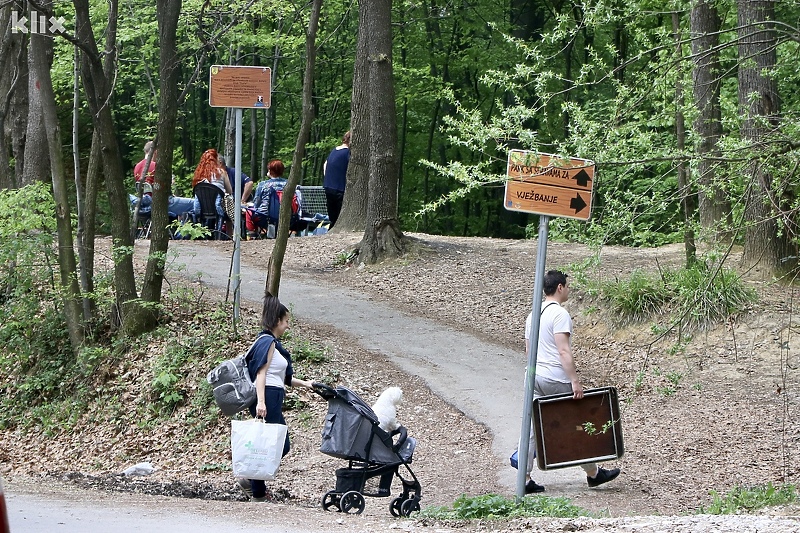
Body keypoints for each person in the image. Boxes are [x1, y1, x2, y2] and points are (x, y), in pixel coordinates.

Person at [522, 270, 620, 494]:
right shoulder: (559, 314)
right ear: (559, 287)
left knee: (530, 427)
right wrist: (575, 381)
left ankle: (525, 478)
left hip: (533, 376)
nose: (568, 290)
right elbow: (563, 351)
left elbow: (528, 350)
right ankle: (594, 474)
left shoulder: (532, 315)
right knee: (576, 425)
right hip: (555, 377)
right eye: (567, 286)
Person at [238, 293, 314, 502]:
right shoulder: (268, 342)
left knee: (278, 444)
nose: (287, 326)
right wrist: (261, 402)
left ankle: (250, 478)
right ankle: (258, 492)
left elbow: (280, 377)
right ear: (277, 321)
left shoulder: (272, 344)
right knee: (268, 446)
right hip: (267, 398)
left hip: (272, 396)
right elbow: (261, 374)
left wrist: (305, 384)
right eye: (286, 321)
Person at [129, 141, 194, 219]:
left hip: (144, 204)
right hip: (161, 202)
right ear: (155, 151)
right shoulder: (155, 165)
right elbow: (163, 186)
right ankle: (184, 230)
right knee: (195, 203)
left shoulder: (137, 167)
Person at [191, 148, 232, 219]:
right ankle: (231, 229)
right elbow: (230, 191)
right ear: (215, 159)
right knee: (230, 203)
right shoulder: (222, 172)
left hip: (201, 209)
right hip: (218, 208)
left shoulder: (198, 175)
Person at [322, 131, 350, 228]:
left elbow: (325, 165)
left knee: (332, 215)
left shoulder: (334, 150)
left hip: (328, 186)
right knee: (338, 215)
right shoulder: (348, 153)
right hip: (340, 188)